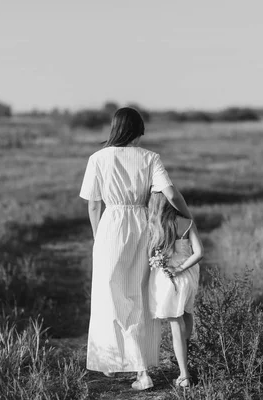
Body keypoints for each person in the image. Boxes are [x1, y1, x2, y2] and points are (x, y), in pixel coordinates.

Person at [79, 107, 193, 390]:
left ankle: (128, 365)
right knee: (141, 296)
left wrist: (97, 236)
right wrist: (187, 216)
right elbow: (170, 192)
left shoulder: (97, 158)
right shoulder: (150, 158)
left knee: (111, 295)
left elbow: (93, 204)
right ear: (137, 131)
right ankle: (135, 365)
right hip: (144, 226)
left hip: (111, 226)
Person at [147, 192, 203, 388]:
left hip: (169, 279)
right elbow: (199, 253)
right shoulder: (187, 222)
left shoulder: (156, 227)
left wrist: (173, 269)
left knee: (175, 322)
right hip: (188, 277)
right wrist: (181, 269)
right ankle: (186, 361)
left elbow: (150, 253)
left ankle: (184, 375)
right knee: (187, 315)